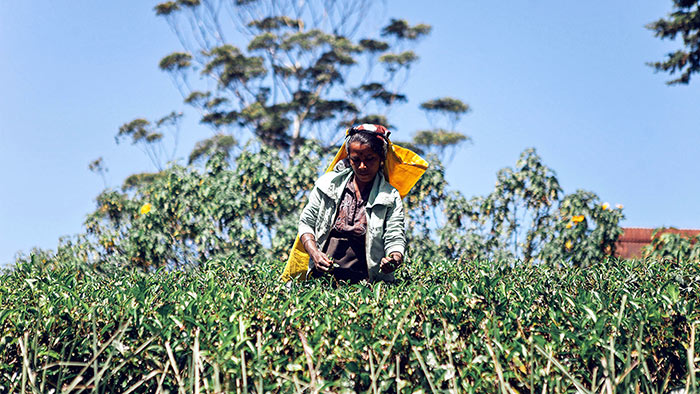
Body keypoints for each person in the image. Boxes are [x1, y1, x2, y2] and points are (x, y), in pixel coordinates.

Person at [297, 124, 405, 283]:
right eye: (356, 159)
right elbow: (306, 222)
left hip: (366, 283)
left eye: (370, 159)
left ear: (381, 159)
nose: (362, 166)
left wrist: (394, 258)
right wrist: (315, 253)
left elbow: (394, 234)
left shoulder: (389, 196)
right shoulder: (327, 185)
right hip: (322, 279)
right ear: (348, 158)